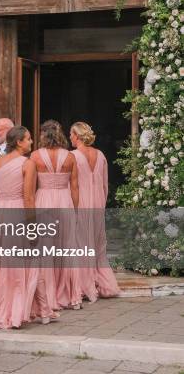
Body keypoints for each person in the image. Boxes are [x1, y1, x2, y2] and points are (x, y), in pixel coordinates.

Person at [0, 126, 39, 328]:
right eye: (28, 139)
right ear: (18, 142)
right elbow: (28, 197)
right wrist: (33, 227)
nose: (31, 142)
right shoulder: (28, 163)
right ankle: (15, 310)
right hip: (17, 212)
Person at [30, 120, 79, 316]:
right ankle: (68, 293)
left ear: (43, 135)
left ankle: (49, 296)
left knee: (45, 247)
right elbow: (74, 187)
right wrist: (76, 211)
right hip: (64, 201)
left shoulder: (34, 156)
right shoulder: (70, 157)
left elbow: (30, 186)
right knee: (66, 246)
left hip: (43, 200)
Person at [70, 122, 120, 299]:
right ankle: (102, 282)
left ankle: (84, 285)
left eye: (71, 134)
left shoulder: (73, 156)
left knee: (80, 243)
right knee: (97, 244)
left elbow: (71, 184)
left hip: (81, 202)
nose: (70, 137)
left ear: (77, 136)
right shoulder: (101, 155)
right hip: (98, 202)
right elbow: (105, 184)